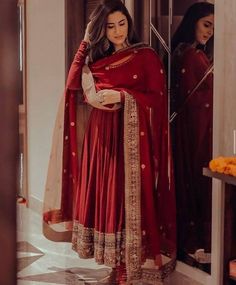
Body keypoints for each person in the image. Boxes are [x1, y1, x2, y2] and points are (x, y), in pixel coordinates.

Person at [43, 0, 176, 284]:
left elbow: (158, 99)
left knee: (128, 203)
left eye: (122, 24)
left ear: (129, 24)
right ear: (102, 30)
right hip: (102, 140)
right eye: (110, 26)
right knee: (109, 203)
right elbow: (72, 84)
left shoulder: (146, 57)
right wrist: (85, 41)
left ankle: (129, 272)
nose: (117, 32)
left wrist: (124, 96)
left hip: (132, 143)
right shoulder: (98, 60)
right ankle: (116, 269)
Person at [171, 2, 214, 272]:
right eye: (206, 24)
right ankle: (196, 244)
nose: (209, 32)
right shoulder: (192, 56)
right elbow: (199, 100)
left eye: (213, 28)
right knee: (197, 182)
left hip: (192, 129)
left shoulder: (186, 52)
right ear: (193, 22)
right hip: (197, 131)